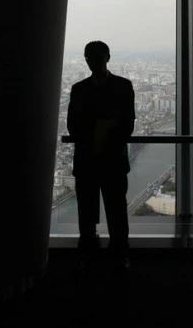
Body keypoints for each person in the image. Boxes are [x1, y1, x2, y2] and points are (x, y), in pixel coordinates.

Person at [67, 40, 136, 272]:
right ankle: (110, 256)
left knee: (111, 212)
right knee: (94, 213)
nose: (91, 62)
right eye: (88, 57)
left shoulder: (82, 90)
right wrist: (107, 125)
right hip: (108, 159)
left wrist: (93, 128)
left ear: (107, 57)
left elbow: (127, 126)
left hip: (95, 159)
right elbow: (72, 127)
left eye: (95, 57)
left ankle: (97, 256)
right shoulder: (120, 87)